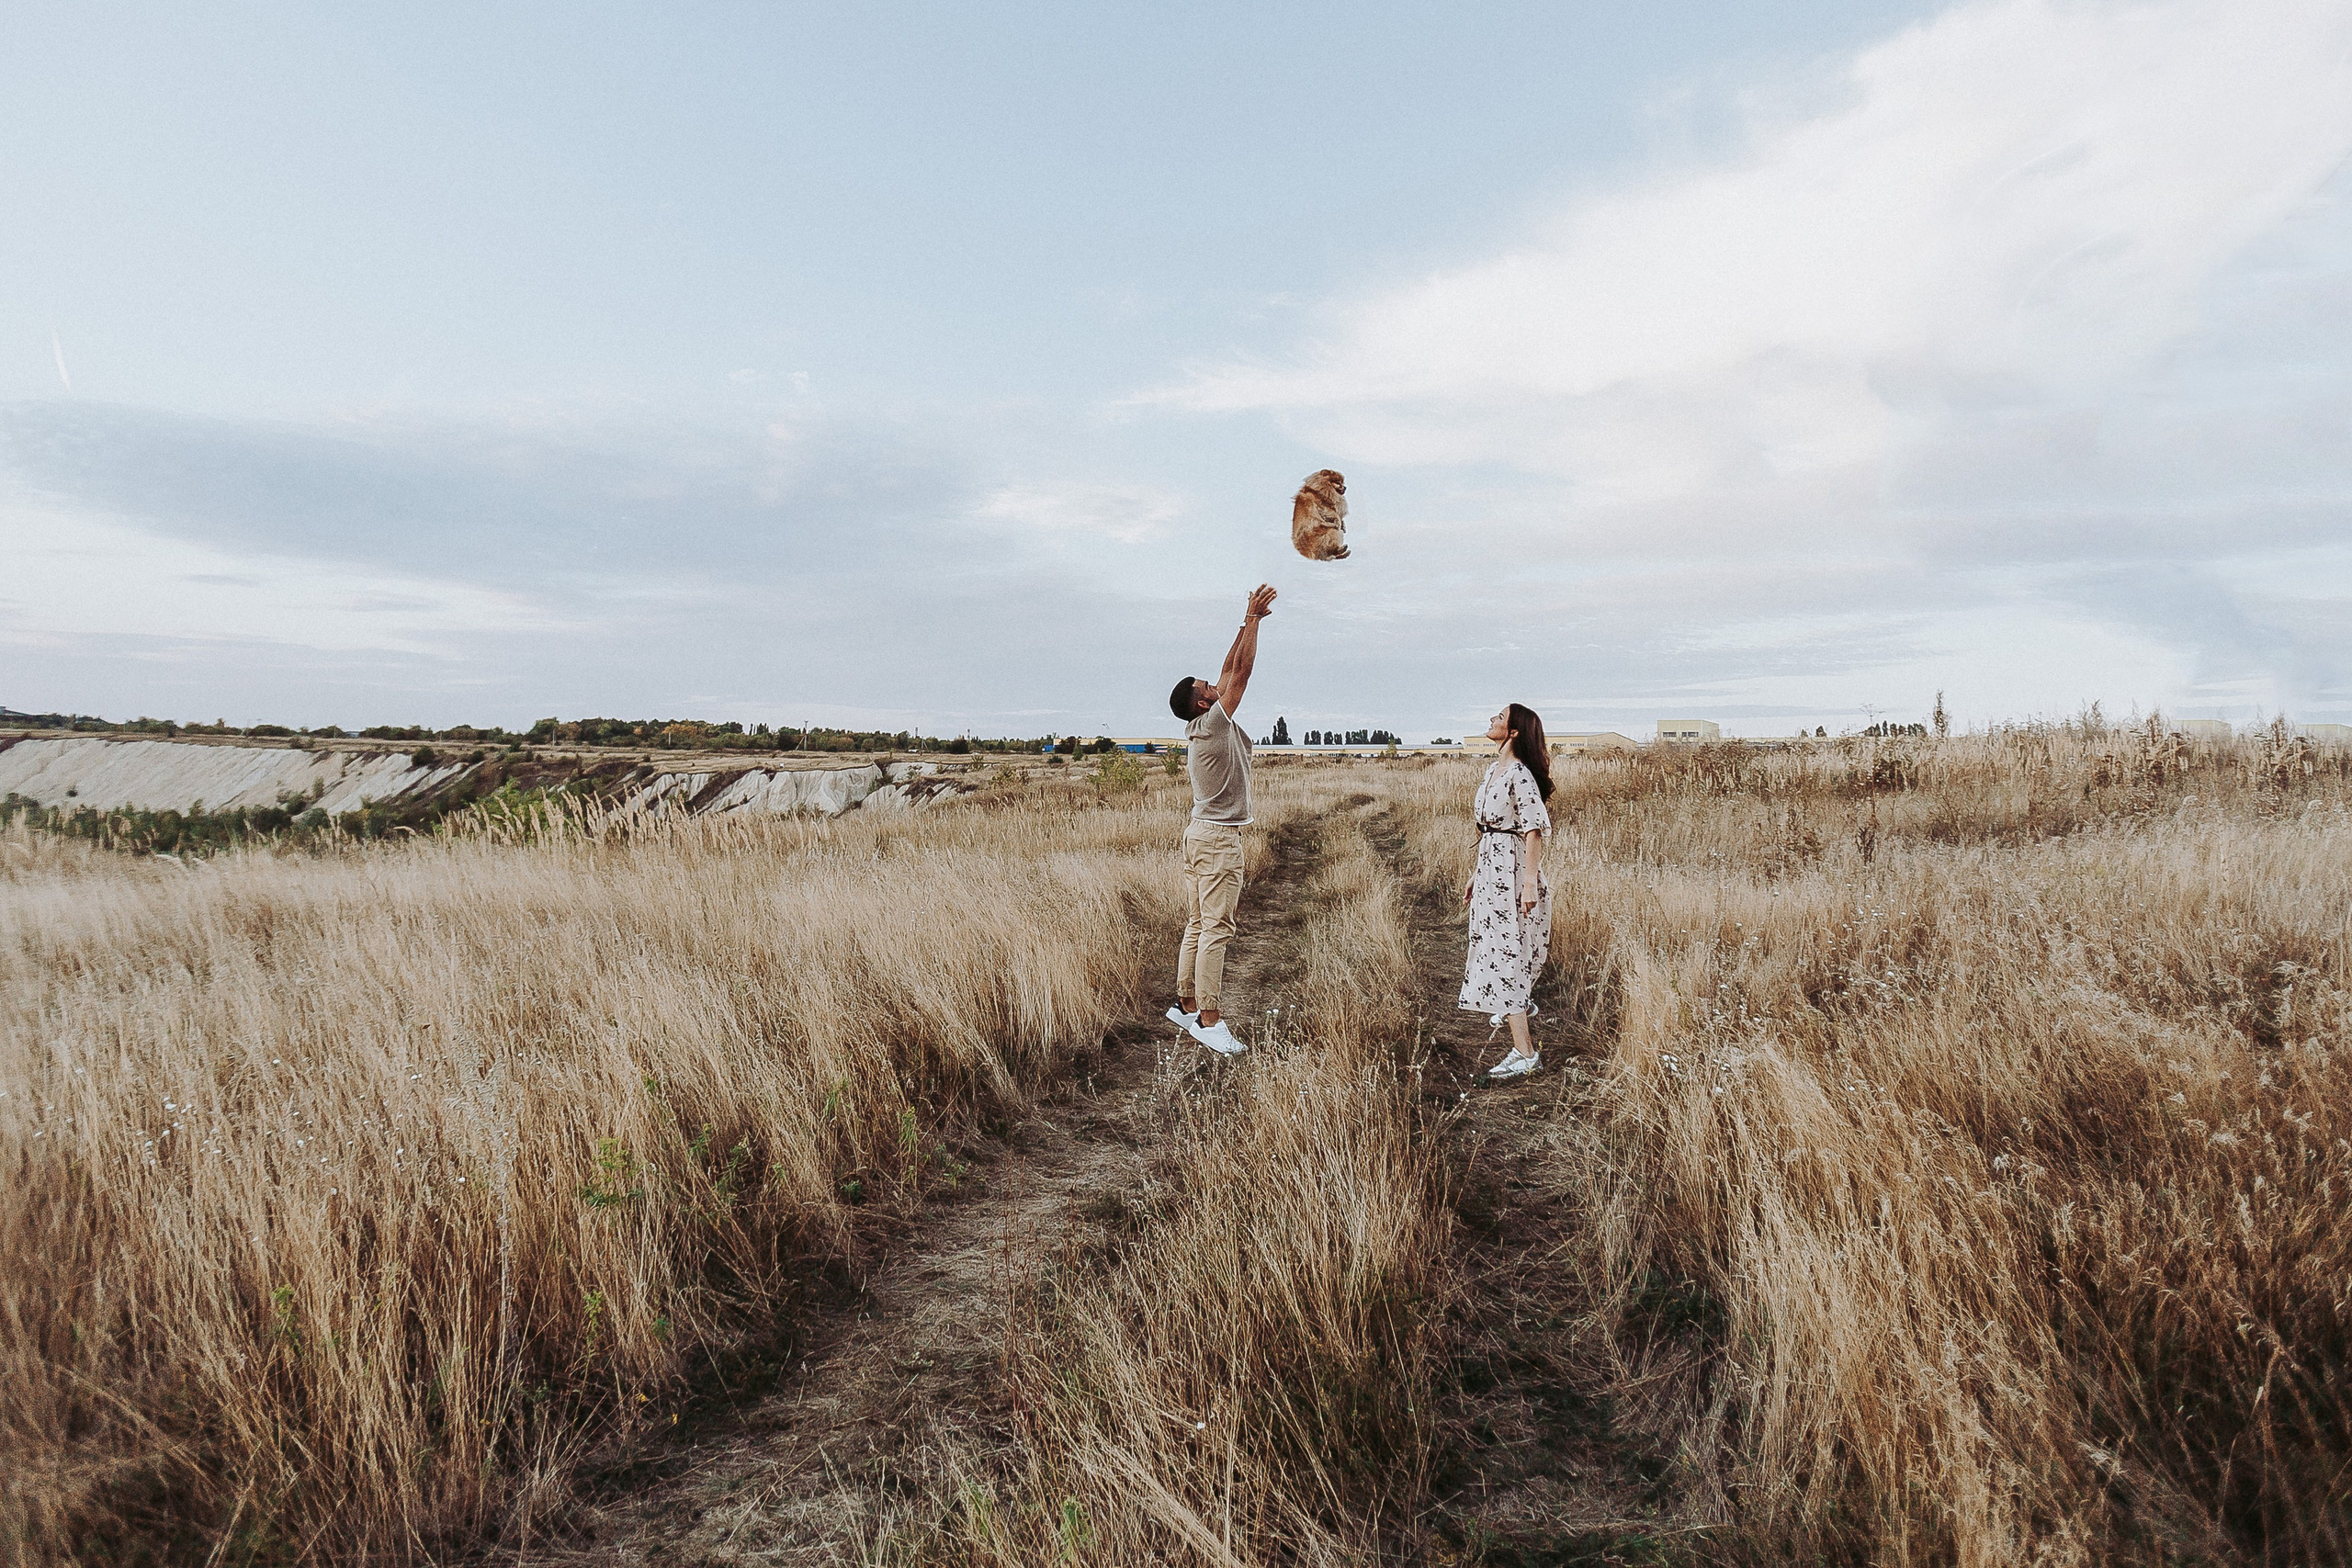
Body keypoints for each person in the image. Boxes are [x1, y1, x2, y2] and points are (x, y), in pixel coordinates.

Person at [1164, 583, 1277, 1055]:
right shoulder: (1213, 723)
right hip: (1216, 840)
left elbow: (1229, 668)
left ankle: (1187, 1005)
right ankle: (1209, 1021)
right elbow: (1242, 675)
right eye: (1206, 688)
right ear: (1203, 703)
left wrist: (1244, 621)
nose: (1214, 684)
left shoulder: (1202, 722)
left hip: (1199, 834)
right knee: (1216, 927)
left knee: (1197, 922)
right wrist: (1252, 620)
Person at [1462, 702, 1553, 1077]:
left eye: (1499, 718)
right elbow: (1492, 829)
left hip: (1512, 874)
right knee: (1497, 945)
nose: (1491, 719)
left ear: (1513, 732)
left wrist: (1529, 881)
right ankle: (1518, 1005)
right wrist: (1476, 873)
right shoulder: (1492, 770)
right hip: (1492, 868)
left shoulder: (1519, 774)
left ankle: (1525, 1052)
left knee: (1507, 951)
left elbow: (1533, 829)